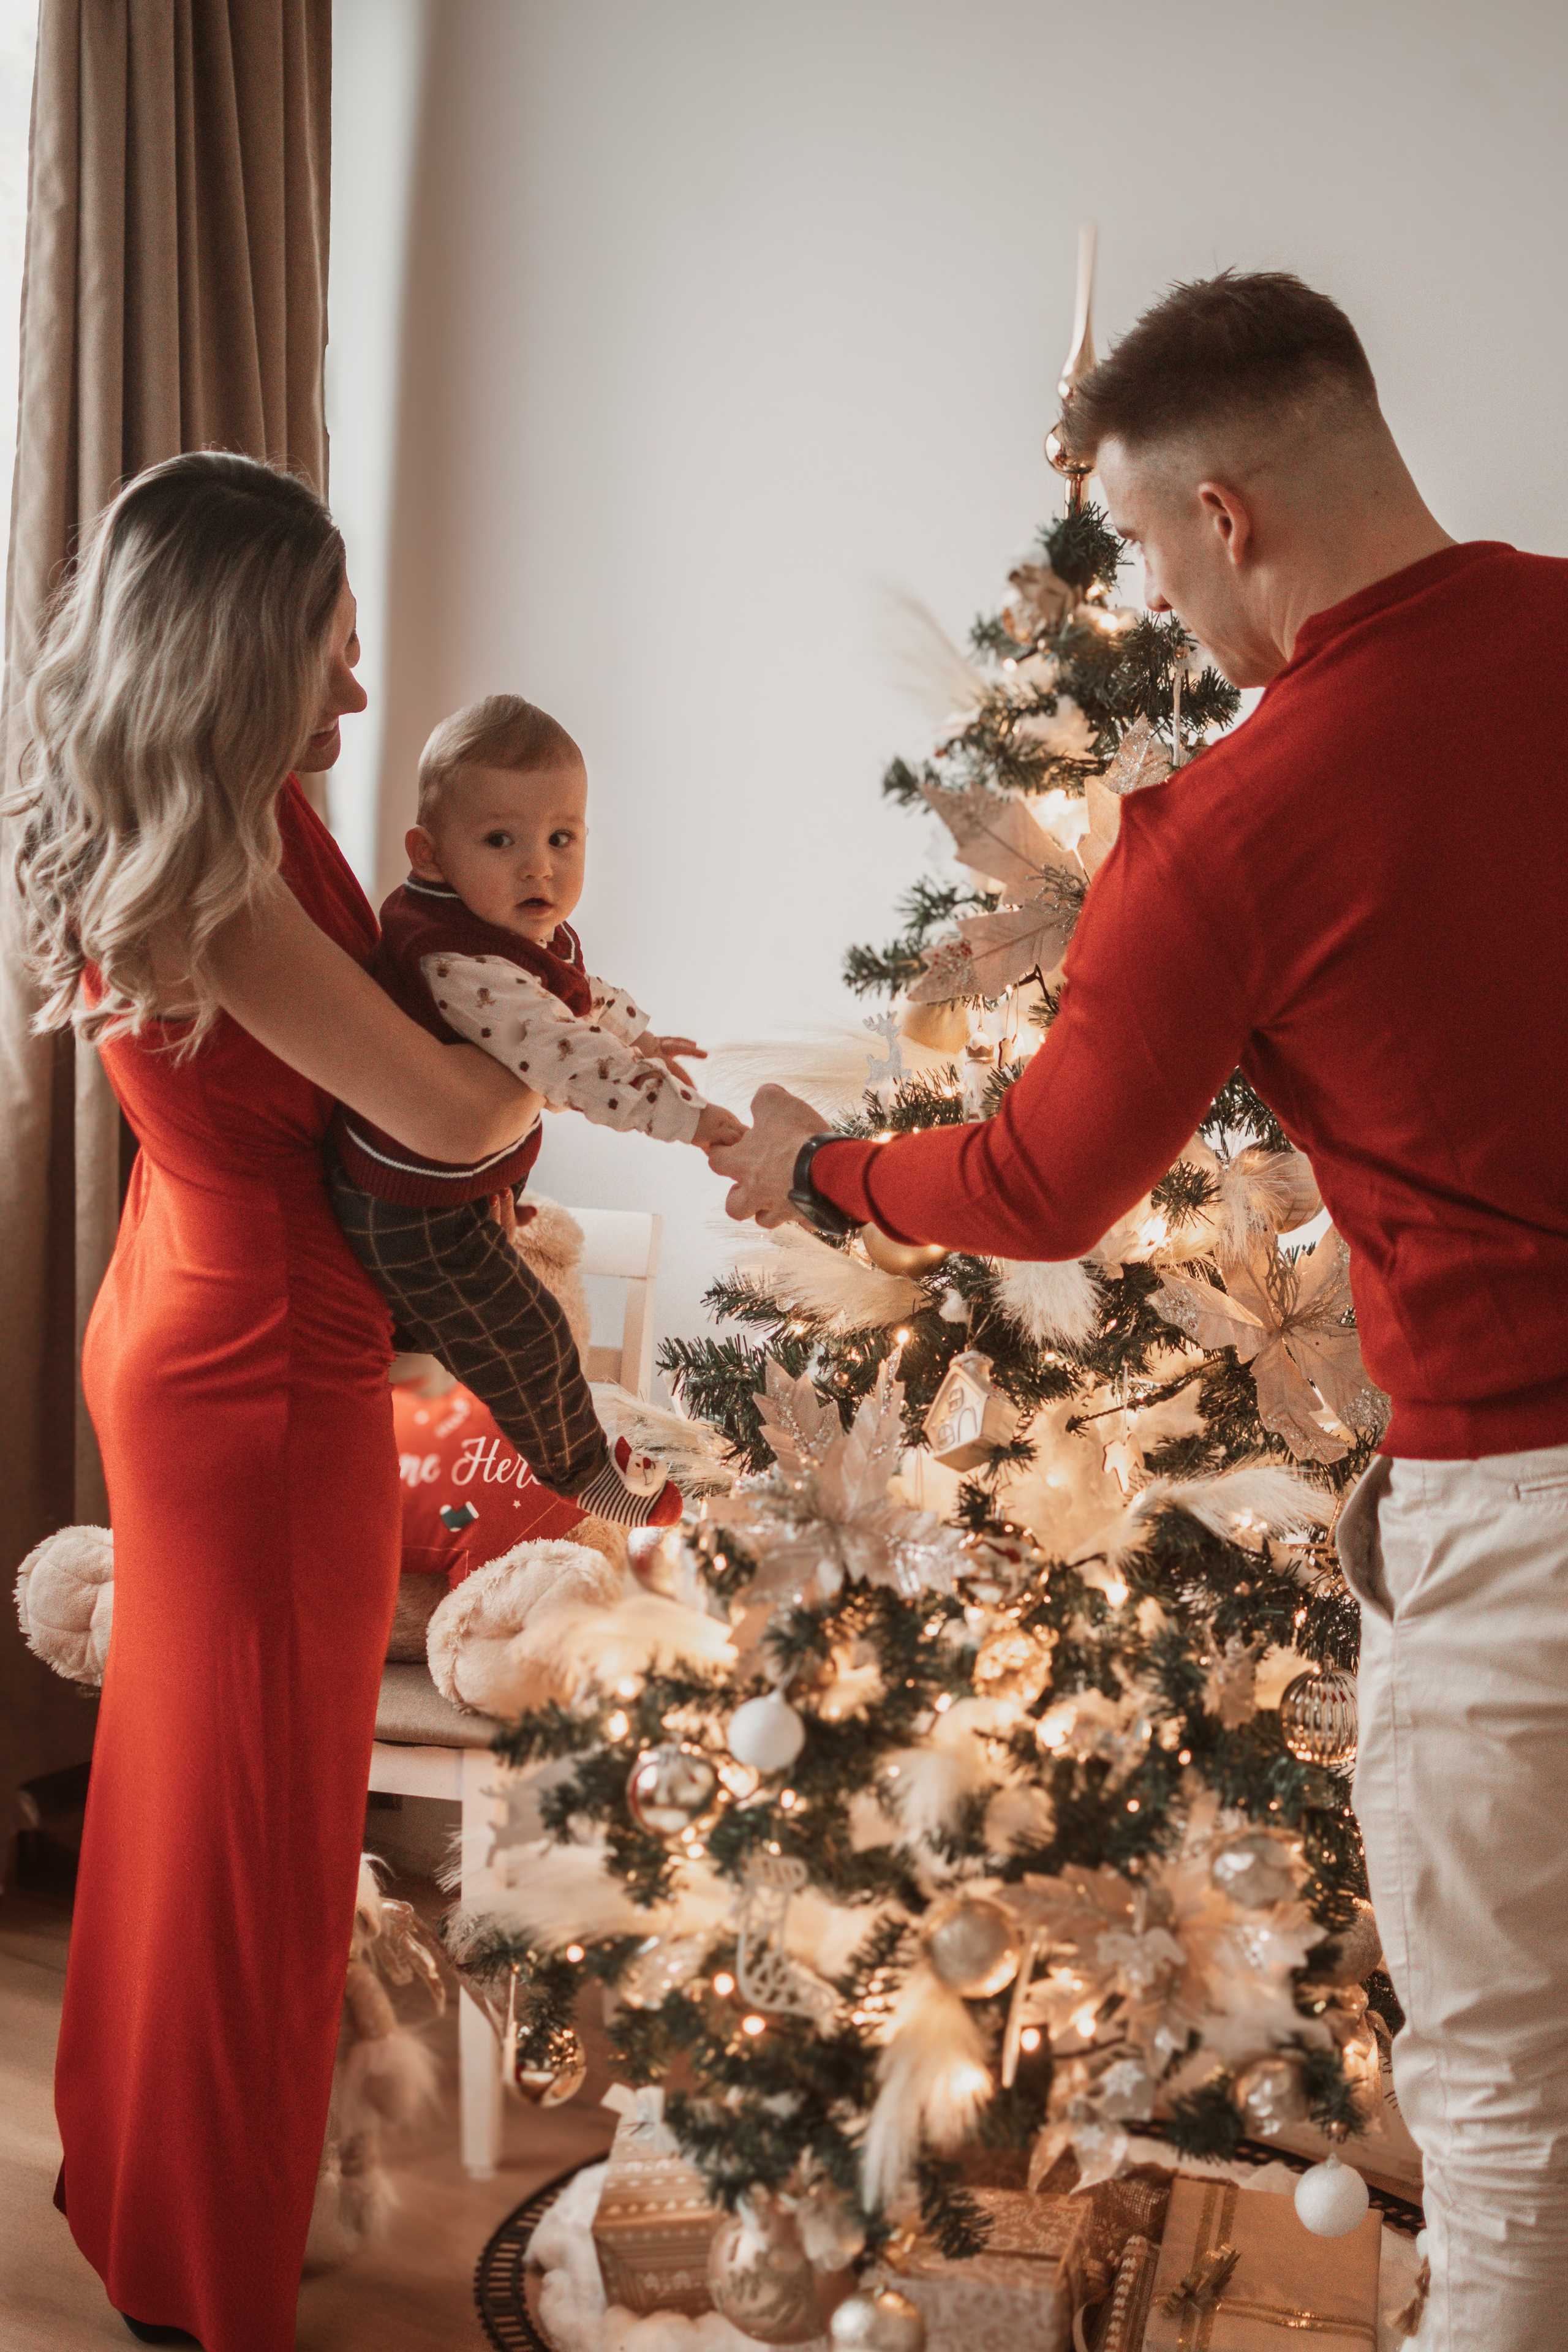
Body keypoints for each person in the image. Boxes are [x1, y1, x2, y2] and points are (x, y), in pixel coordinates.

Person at [712, 271, 1568, 2352]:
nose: (1169, 603)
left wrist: (818, 1169)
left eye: (1155, 546)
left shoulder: (1235, 828)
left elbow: (1040, 1180)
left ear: (1231, 514)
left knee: (1515, 2149)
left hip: (1515, 1532)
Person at [10, 453, 550, 2352]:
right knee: (252, 1834)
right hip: (262, 1384)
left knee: (186, 1802)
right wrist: (557, 1053)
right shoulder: (230, 886)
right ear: (238, 657)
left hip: (194, 1302)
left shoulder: (212, 817)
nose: (354, 691)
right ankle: (202, 2272)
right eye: (328, 650)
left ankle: (155, 2185)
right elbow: (454, 1113)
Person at [326, 693, 744, 1529]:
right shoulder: (456, 959)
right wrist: (691, 1120)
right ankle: (585, 1472)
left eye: (562, 838)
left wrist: (639, 1032)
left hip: (455, 1189)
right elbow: (563, 1052)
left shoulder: (509, 927)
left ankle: (428, 1361)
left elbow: (574, 994)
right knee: (533, 1334)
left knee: (485, 1322)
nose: (539, 868)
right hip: (409, 1210)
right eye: (500, 841)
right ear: (431, 853)